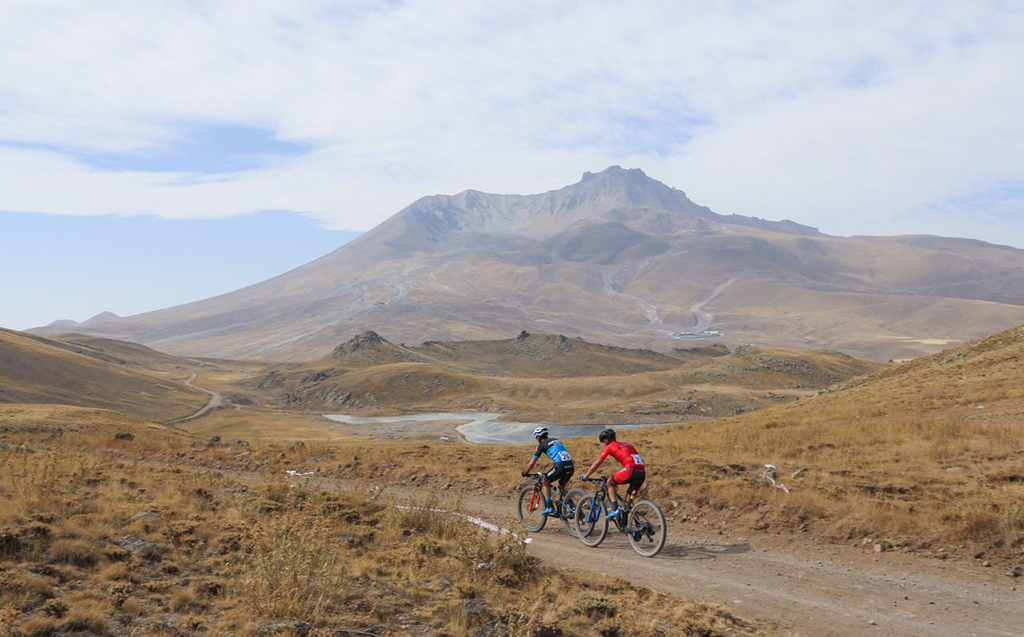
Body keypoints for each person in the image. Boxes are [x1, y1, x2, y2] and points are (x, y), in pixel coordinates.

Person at [579, 428, 645, 520]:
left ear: (606, 440)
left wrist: (586, 476)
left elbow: (596, 464)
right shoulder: (628, 444)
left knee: (610, 482)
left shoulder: (609, 447)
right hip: (641, 473)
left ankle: (615, 509)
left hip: (630, 471)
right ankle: (639, 525)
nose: (604, 444)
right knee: (628, 500)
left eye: (603, 442)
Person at [521, 426, 575, 515]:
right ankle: (575, 507)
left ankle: (549, 507)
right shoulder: (556, 440)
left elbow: (531, 464)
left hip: (560, 466)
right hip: (570, 466)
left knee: (545, 481)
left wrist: (525, 472)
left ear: (538, 437)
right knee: (560, 488)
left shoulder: (541, 445)